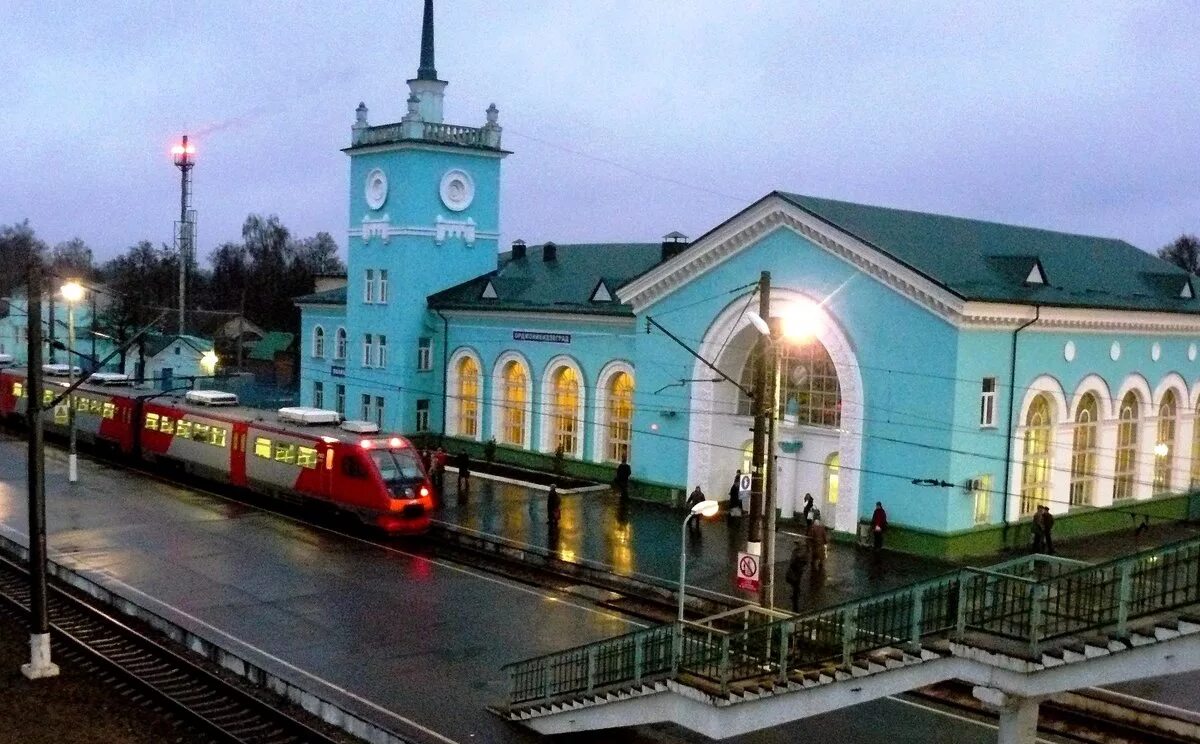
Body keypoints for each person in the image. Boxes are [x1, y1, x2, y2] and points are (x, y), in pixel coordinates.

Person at [785, 542, 806, 612]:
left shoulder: (797, 553)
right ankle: (796, 594)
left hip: (796, 570)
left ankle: (796, 596)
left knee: (795, 584)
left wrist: (792, 566)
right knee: (796, 583)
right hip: (799, 570)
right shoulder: (803, 553)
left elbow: (793, 561)